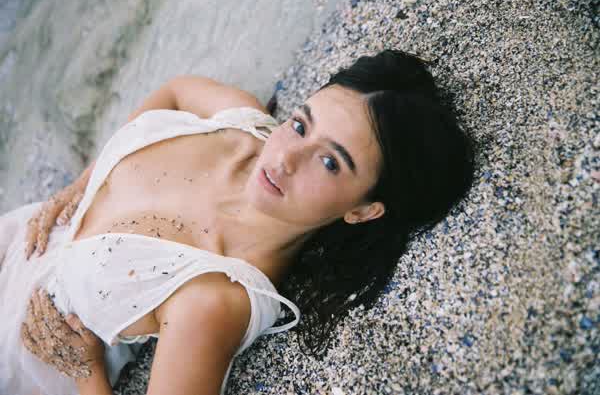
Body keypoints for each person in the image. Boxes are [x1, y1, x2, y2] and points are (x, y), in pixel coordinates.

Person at [0, 49, 476, 395]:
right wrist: (82, 182)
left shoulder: (214, 298)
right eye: (301, 124)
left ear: (364, 210)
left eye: (330, 162)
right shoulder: (245, 124)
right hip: (18, 232)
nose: (286, 158)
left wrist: (86, 374)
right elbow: (176, 90)